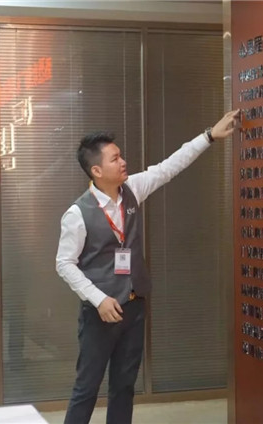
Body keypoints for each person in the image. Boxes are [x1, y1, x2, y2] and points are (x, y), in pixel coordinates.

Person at [56, 110, 240, 424]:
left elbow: (169, 167)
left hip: (134, 305)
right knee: (86, 388)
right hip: (101, 314)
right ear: (97, 170)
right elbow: (64, 263)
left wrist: (209, 136)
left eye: (121, 155)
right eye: (115, 159)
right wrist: (98, 299)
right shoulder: (77, 213)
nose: (123, 162)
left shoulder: (132, 189)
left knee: (124, 387)